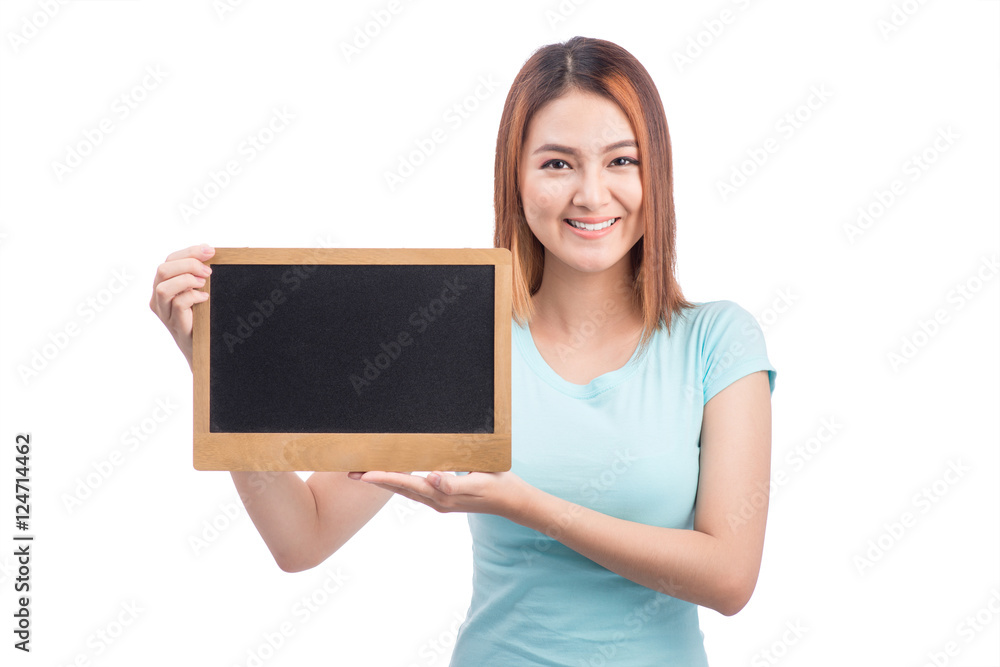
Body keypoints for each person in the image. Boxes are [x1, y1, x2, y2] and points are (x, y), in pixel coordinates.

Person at [150, 36, 776, 665]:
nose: (591, 194)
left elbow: (728, 577)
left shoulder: (717, 342)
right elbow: (302, 536)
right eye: (557, 164)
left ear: (656, 174)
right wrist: (219, 369)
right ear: (517, 178)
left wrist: (530, 507)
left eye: (621, 161)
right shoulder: (455, 339)